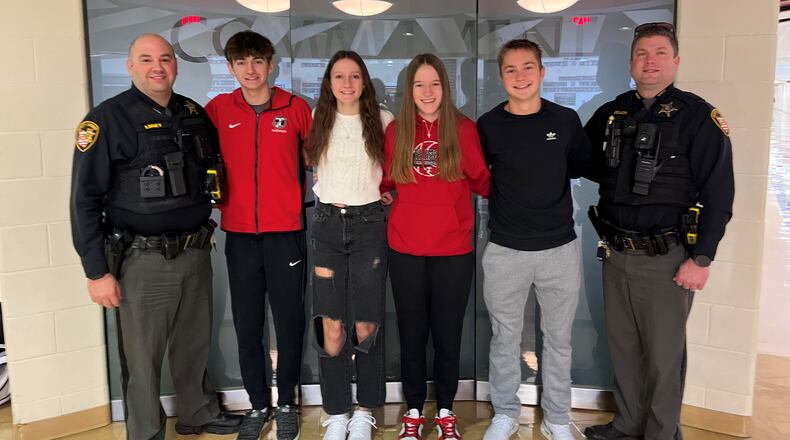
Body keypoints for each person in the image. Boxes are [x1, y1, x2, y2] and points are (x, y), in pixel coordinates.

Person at [70, 33, 242, 439]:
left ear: (176, 65)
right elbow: (84, 200)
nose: (158, 67)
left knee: (193, 344)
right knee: (142, 359)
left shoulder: (193, 112)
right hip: (142, 260)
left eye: (165, 58)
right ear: (130, 66)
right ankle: (146, 433)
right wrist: (96, 272)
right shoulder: (107, 119)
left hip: (196, 252)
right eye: (146, 59)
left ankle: (196, 413)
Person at [583, 22, 734, 440]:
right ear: (631, 63)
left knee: (664, 357)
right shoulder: (614, 111)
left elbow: (720, 194)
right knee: (624, 347)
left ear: (676, 60)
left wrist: (701, 258)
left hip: (667, 259)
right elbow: (579, 158)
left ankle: (662, 433)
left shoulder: (699, 117)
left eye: (660, 53)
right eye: (642, 54)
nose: (650, 62)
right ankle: (628, 424)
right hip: (615, 253)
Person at [477, 39, 592, 440]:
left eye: (528, 67)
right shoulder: (488, 126)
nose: (520, 76)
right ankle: (506, 413)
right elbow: (479, 179)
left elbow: (582, 168)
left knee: (559, 341)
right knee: (504, 338)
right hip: (505, 250)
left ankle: (557, 418)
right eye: (511, 69)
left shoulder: (565, 121)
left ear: (542, 73)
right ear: (501, 76)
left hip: (558, 248)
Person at [204, 31, 313, 440]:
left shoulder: (297, 108)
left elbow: (317, 156)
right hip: (241, 237)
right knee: (248, 325)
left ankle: (286, 402)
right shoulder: (218, 109)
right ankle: (257, 404)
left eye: (257, 61)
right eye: (241, 62)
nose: (250, 70)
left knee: (288, 322)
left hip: (286, 234)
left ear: (271, 65)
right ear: (231, 68)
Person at [382, 53, 490, 440]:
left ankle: (445, 410)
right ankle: (412, 410)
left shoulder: (463, 129)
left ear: (446, 87)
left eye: (435, 84)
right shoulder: (396, 132)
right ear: (408, 90)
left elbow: (482, 181)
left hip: (453, 251)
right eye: (419, 85)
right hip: (406, 249)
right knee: (411, 334)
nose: (428, 93)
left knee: (447, 334)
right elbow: (384, 182)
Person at [305, 50, 394, 440]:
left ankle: (365, 410)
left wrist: (386, 194)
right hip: (327, 224)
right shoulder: (316, 119)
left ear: (364, 82)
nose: (346, 84)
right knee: (333, 325)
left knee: (365, 323)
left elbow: (393, 172)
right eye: (338, 76)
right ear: (329, 82)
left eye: (354, 76)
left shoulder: (384, 121)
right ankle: (337, 411)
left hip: (369, 224)